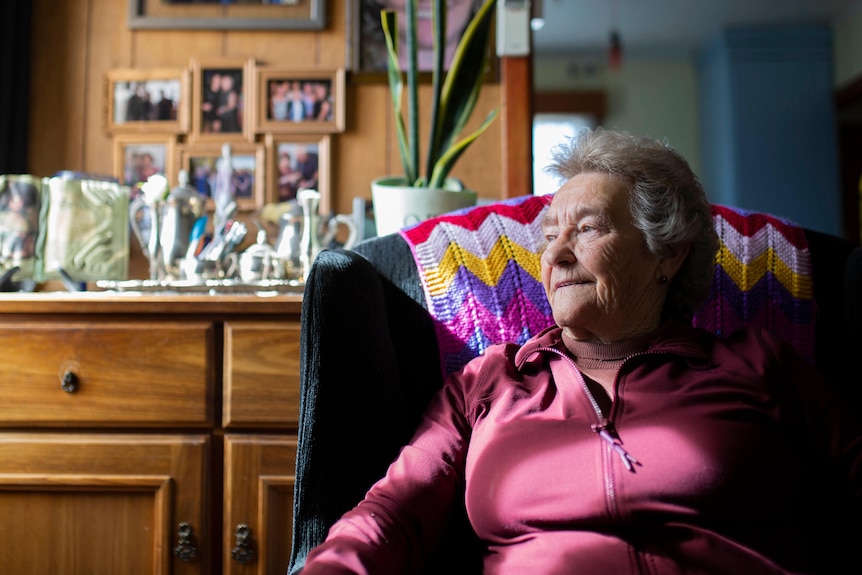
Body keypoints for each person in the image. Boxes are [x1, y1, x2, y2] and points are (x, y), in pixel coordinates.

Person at [299, 128, 862, 574]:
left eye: (587, 229)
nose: (557, 256)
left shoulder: (755, 367)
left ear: (666, 254)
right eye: (548, 237)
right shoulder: (490, 382)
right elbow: (391, 516)